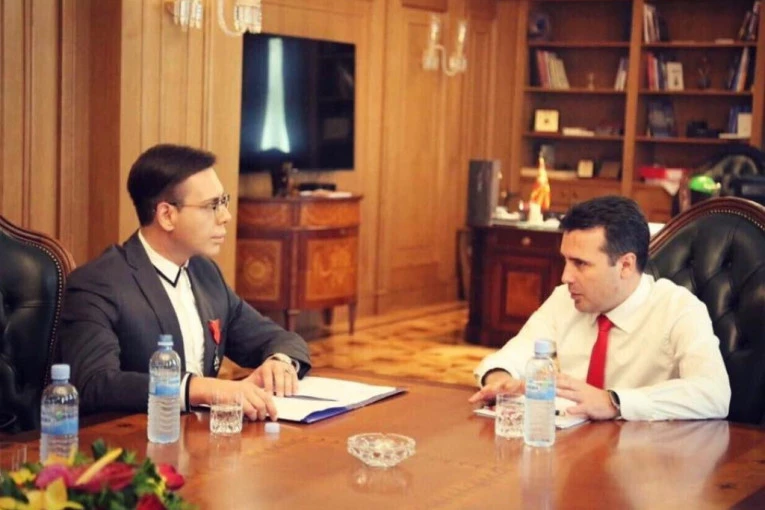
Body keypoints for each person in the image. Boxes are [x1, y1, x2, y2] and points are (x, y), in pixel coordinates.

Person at [59, 144, 311, 421]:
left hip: (200, 437)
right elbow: (95, 383)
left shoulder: (204, 272)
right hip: (131, 439)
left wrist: (280, 362)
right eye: (212, 206)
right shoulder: (97, 283)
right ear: (167, 215)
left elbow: (278, 338)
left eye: (223, 201)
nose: (225, 216)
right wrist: (202, 389)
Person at [469, 196, 730, 421]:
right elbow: (514, 355)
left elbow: (714, 393)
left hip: (646, 453)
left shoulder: (678, 308)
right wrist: (500, 381)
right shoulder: (564, 299)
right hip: (572, 447)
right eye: (566, 261)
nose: (565, 277)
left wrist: (613, 402)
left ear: (625, 265)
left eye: (580, 264)